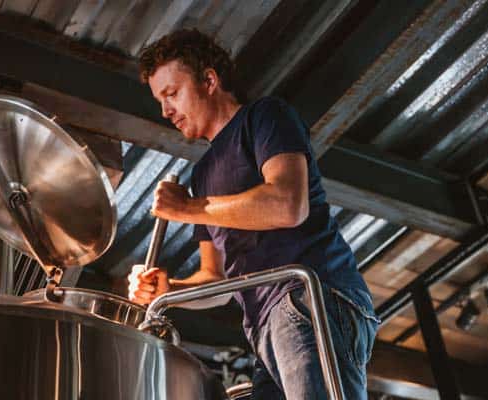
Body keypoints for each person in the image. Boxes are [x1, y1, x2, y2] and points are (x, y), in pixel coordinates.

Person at [127, 28, 379, 400]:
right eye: (160, 100)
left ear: (209, 80)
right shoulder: (203, 174)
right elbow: (215, 280)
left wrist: (188, 208)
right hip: (262, 327)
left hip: (308, 297)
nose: (166, 111)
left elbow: (287, 204)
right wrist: (170, 290)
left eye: (172, 94)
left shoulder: (265, 117)